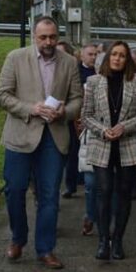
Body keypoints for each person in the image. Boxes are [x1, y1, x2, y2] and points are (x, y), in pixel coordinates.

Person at [0, 16, 83, 270]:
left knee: (49, 196)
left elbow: (78, 99)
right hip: (20, 135)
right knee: (14, 189)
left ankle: (46, 249)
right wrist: (29, 108)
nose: (48, 42)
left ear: (58, 36)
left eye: (52, 37)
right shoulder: (16, 58)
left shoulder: (69, 62)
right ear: (35, 36)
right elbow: (1, 95)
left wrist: (64, 112)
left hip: (54, 138)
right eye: (43, 37)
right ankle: (18, 238)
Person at [82, 40, 136, 261]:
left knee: (123, 193)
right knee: (104, 191)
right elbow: (86, 116)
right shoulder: (93, 82)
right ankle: (103, 241)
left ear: (127, 59)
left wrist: (124, 127)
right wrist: (103, 130)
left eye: (122, 55)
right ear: (108, 57)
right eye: (114, 54)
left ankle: (118, 239)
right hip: (102, 144)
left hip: (127, 144)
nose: (118, 58)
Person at [77, 42, 98, 235]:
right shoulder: (81, 78)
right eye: (91, 55)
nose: (94, 59)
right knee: (91, 183)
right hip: (90, 136)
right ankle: (91, 215)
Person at [57, 40, 80, 199]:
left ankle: (71, 185)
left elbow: (77, 98)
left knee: (71, 155)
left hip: (69, 121)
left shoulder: (73, 72)